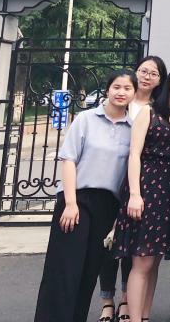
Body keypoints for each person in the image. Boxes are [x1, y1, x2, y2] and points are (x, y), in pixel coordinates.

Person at [34, 70, 137, 322]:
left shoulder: (133, 129)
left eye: (127, 88)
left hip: (108, 205)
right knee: (64, 267)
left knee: (90, 269)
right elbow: (69, 159)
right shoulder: (86, 119)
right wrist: (70, 203)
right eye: (117, 87)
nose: (121, 92)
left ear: (134, 93)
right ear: (108, 89)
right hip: (77, 199)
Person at [112, 62, 170, 322]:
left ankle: (145, 316)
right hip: (148, 188)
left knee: (154, 260)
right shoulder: (149, 112)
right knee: (142, 260)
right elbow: (134, 155)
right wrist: (135, 194)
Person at [98, 56, 166, 322]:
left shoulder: (157, 109)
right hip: (111, 177)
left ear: (161, 80)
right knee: (107, 243)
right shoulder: (120, 102)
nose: (147, 77)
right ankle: (107, 300)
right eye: (143, 71)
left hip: (139, 182)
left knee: (133, 245)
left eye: (154, 73)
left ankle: (127, 300)